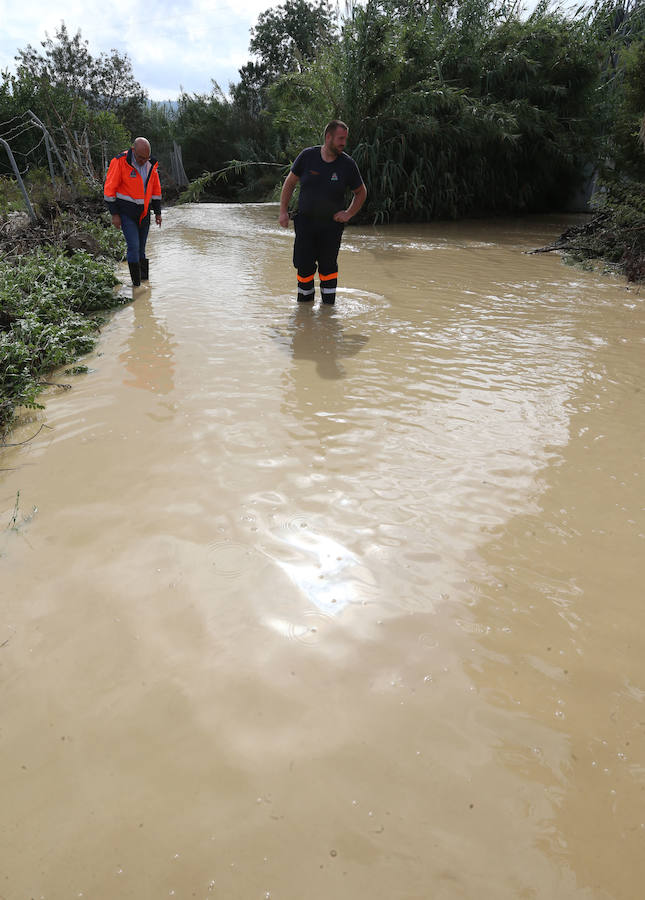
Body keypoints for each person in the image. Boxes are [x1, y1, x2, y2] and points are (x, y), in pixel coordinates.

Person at [279, 120, 367, 306]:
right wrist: (283, 211)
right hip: (305, 223)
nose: (344, 143)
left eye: (345, 139)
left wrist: (349, 213)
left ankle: (328, 313)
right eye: (340, 139)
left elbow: (361, 192)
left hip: (331, 227)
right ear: (328, 137)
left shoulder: (347, 164)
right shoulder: (307, 157)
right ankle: (304, 311)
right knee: (304, 268)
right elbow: (289, 183)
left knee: (328, 268)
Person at [103, 137, 162, 287]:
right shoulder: (120, 162)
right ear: (133, 150)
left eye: (146, 157)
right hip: (127, 213)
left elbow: (155, 190)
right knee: (134, 247)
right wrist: (115, 214)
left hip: (144, 213)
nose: (143, 161)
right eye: (141, 158)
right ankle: (136, 286)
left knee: (142, 249)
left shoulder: (151, 164)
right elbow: (110, 190)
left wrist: (158, 212)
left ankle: (144, 285)